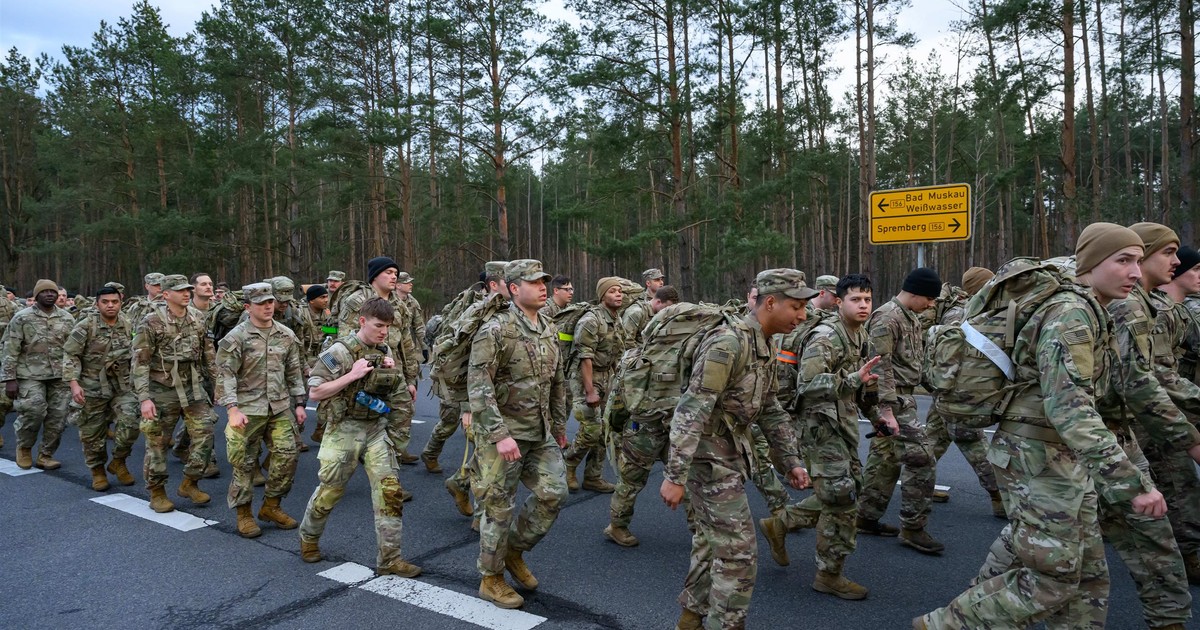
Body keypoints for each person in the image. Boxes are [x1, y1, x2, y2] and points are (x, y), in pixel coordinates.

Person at [916, 223, 1167, 630]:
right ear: (1090, 263)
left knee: (1088, 577)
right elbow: (1071, 407)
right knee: (1053, 579)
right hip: (1039, 458)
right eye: (1123, 261)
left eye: (1138, 261)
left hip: (1058, 456)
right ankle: (944, 625)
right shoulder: (1071, 313)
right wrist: (1130, 481)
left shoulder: (1086, 306)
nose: (1136, 273)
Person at [660, 268, 812, 630]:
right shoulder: (727, 343)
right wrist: (674, 476)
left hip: (730, 452)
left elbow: (771, 408)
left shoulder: (766, 343)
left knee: (712, 543)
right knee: (739, 554)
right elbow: (691, 408)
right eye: (796, 307)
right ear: (770, 302)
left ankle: (692, 617)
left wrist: (790, 460)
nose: (803, 315)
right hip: (707, 458)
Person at [759, 273, 885, 600]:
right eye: (856, 299)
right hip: (817, 426)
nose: (863, 305)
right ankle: (829, 574)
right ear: (839, 302)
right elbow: (808, 386)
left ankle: (783, 522)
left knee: (846, 489)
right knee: (842, 498)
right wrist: (851, 379)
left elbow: (866, 385)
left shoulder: (860, 334)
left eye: (868, 299)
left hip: (840, 423)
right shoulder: (826, 337)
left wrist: (879, 416)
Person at [468, 259, 569, 609]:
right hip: (504, 435)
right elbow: (478, 386)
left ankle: (513, 551)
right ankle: (491, 579)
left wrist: (558, 425)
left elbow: (556, 381)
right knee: (498, 507)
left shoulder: (548, 326)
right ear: (513, 288)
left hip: (540, 432)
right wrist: (499, 435)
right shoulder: (495, 329)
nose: (543, 287)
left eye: (545, 281)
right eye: (534, 282)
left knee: (555, 492)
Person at [298, 297, 420, 577]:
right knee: (330, 490)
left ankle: (390, 559)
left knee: (390, 491)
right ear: (362, 321)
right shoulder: (339, 351)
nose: (383, 332)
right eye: (378, 325)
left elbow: (393, 392)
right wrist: (351, 376)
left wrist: (390, 373)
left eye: (388, 327)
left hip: (376, 428)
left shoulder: (384, 348)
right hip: (344, 429)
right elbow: (314, 392)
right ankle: (309, 537)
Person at [856, 267, 944, 554]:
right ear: (915, 293)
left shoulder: (910, 317)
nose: (931, 304)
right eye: (929, 298)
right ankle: (913, 528)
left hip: (904, 398)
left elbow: (913, 364)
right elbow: (881, 366)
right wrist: (887, 410)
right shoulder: (887, 318)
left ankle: (865, 517)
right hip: (894, 402)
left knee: (885, 461)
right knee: (922, 460)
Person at [216, 283, 308, 538]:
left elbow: (294, 371)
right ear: (248, 307)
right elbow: (225, 375)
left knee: (288, 455)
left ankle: (271, 506)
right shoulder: (237, 337)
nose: (268, 306)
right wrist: (232, 408)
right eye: (261, 303)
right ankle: (243, 513)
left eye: (271, 302)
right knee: (244, 463)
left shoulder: (286, 335)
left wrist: (300, 403)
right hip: (247, 408)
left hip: (279, 407)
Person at [131, 274, 217, 513]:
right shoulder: (150, 321)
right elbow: (140, 362)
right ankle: (157, 492)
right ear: (166, 294)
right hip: (162, 388)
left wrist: (218, 385)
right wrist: (144, 398)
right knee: (158, 442)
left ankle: (190, 482)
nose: (186, 293)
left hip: (193, 387)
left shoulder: (198, 318)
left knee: (205, 433)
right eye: (180, 290)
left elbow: (208, 355)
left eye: (188, 289)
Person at [924, 267, 1004, 515]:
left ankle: (919, 487)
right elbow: (952, 354)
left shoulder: (970, 307)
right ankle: (1000, 496)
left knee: (931, 443)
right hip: (957, 392)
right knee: (974, 445)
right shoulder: (962, 312)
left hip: (947, 392)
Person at [338, 257, 420, 467]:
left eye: (395, 273)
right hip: (365, 372)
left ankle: (388, 468)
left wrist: (411, 379)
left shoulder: (399, 304)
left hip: (393, 371)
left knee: (399, 416)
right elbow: (345, 339)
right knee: (364, 420)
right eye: (389, 272)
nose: (394, 276)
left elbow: (406, 343)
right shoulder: (357, 301)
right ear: (375, 275)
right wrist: (354, 375)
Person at [62, 286, 139, 490]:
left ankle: (119, 461)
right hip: (92, 385)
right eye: (105, 302)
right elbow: (71, 355)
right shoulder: (85, 326)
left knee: (131, 422)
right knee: (92, 433)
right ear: (98, 304)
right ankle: (97, 471)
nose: (110, 305)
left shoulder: (128, 323)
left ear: (121, 302)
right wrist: (74, 384)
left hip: (122, 386)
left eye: (114, 301)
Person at [1, 279, 76, 470]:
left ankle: (46, 454)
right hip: (30, 375)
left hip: (60, 375)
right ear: (36, 296)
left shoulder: (67, 318)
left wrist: (76, 377)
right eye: (45, 292)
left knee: (58, 417)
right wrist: (9, 379)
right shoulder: (22, 317)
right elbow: (10, 349)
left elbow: (74, 349)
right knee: (32, 411)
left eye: (53, 292)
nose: (50, 295)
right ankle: (24, 447)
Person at [1159, 245, 1200, 583]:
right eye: (1195, 269)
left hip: (1167, 408)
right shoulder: (1156, 312)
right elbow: (1155, 374)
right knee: (1178, 480)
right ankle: (1189, 557)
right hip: (1152, 414)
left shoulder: (1178, 311)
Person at [562, 277, 626, 493]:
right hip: (584, 378)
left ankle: (593, 476)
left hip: (607, 376)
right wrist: (589, 391)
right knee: (591, 429)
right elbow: (584, 357)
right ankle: (569, 464)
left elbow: (617, 353)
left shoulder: (616, 318)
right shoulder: (591, 320)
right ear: (602, 296)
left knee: (605, 429)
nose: (618, 294)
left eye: (620, 291)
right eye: (612, 291)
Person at [621, 268, 665, 343]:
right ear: (648, 283)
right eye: (657, 280)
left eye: (661, 279)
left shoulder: (663, 301)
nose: (661, 283)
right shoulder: (640, 302)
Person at [395, 272, 427, 363]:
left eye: (410, 282)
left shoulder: (412, 302)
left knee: (411, 371)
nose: (411, 284)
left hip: (407, 344)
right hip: (391, 343)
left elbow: (419, 326)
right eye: (407, 282)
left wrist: (424, 347)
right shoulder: (388, 300)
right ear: (398, 285)